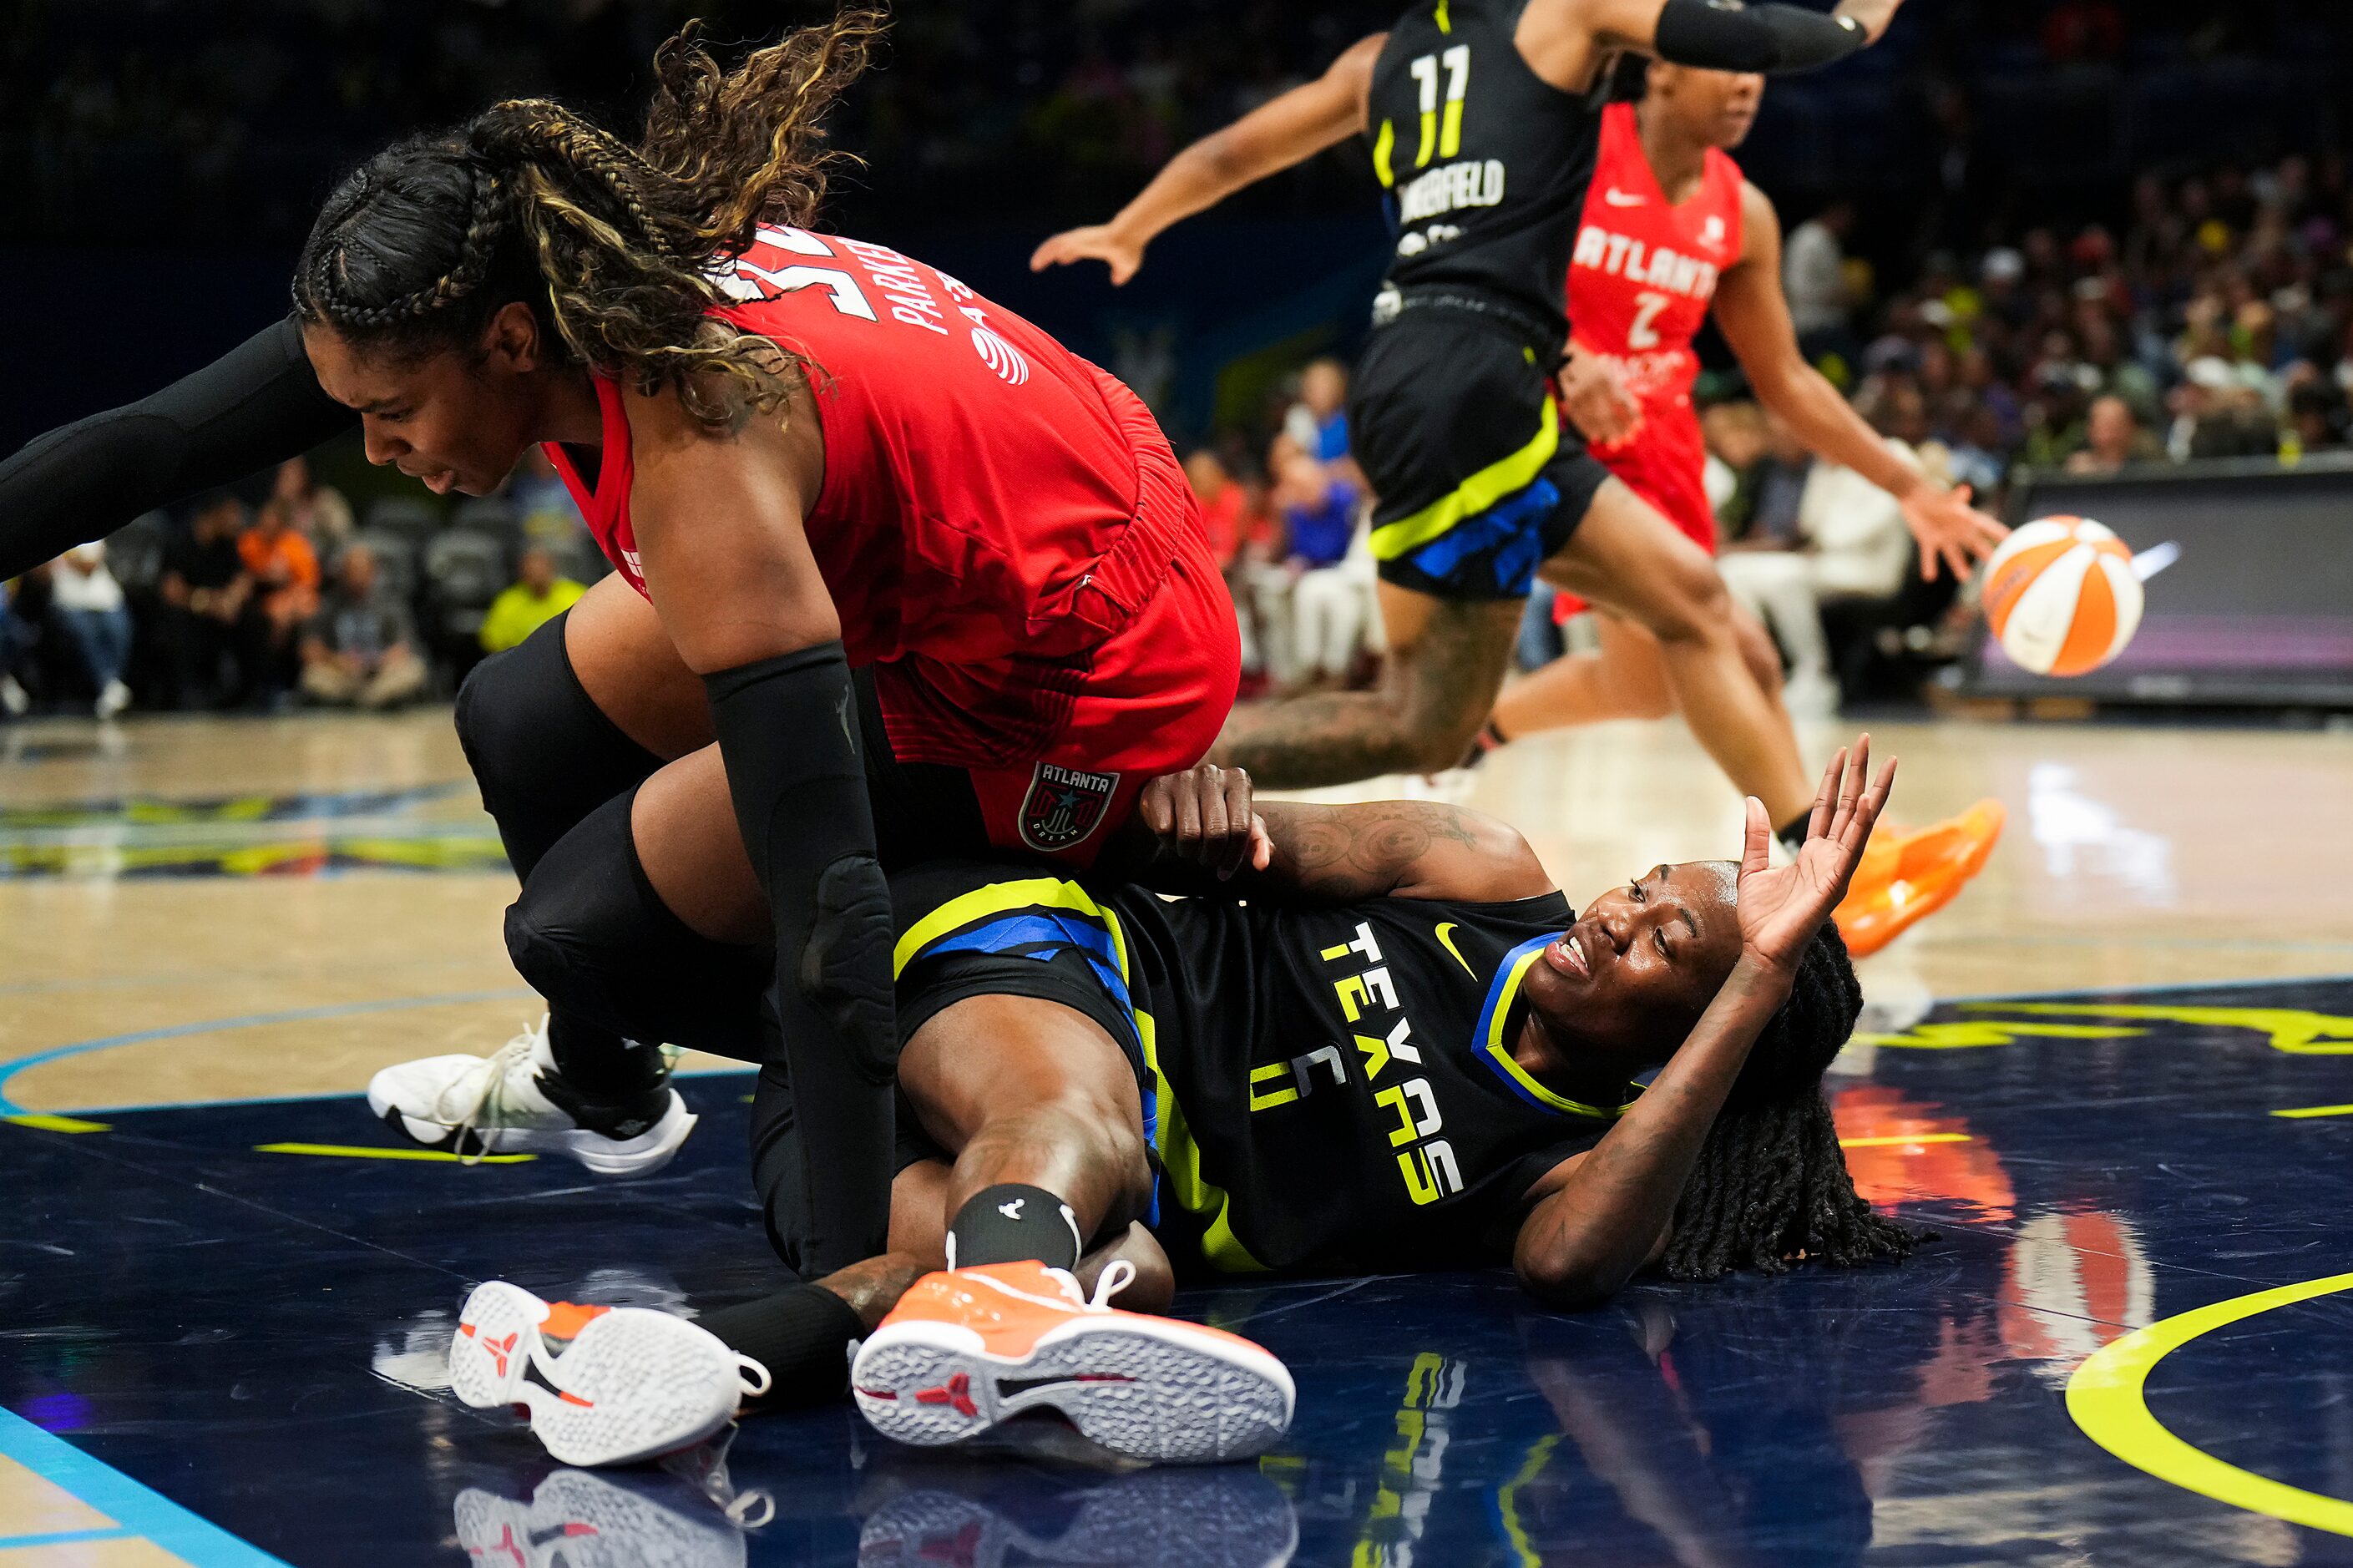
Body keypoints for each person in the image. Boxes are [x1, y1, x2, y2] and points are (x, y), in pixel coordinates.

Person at [0, 13, 1242, 1282]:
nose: (373, 450)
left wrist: (838, 1266)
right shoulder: (564, 276)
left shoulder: (702, 455)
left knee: (586, 932)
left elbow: (822, 904)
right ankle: (605, 1090)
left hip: (1081, 659)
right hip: (1023, 510)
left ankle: (1001, 1003)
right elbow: (148, 443)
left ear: (509, 344)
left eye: (390, 415)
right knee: (520, 717)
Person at [428, 739, 1905, 1472]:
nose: (1620, 914)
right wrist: (1196, 801)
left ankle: (627, 1359)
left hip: (845, 1153)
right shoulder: (1473, 866)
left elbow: (1572, 1267)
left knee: (1096, 1259)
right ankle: (1021, 1296)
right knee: (1082, 1144)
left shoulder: (1571, 1166)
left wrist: (1763, 970)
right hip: (1005, 964)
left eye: (1671, 948)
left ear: (1690, 1036)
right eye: (1648, 884)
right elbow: (1233, 836)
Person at [1035, 0, 1986, 875]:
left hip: (1431, 369)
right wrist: (1855, 22)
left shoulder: (1384, 58)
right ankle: (1124, 758)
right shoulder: (1562, 22)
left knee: (1686, 607)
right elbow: (1737, 35)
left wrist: (1131, 226)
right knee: (1420, 723)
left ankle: (1823, 864)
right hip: (1482, 377)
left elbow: (1230, 156)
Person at [156, 493, 258, 710]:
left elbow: (244, 577)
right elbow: (171, 591)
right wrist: (208, 603)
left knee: (254, 619)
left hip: (220, 611)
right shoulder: (180, 539)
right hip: (189, 612)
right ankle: (186, 693)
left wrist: (232, 599)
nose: (237, 519)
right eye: (232, 513)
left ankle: (249, 693)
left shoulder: (228, 542)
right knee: (178, 624)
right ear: (216, 513)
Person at [299, 544, 429, 709]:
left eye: (362, 571)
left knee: (414, 670)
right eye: (352, 571)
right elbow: (309, 648)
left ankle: (364, 701)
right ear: (343, 574)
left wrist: (379, 662)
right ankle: (367, 701)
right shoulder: (329, 604)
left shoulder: (390, 604)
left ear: (373, 572)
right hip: (342, 675)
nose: (357, 578)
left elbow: (404, 646)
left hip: (380, 673)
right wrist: (336, 660)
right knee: (312, 676)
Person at [235, 497, 321, 702]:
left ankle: (293, 683)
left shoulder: (295, 544)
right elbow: (243, 576)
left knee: (303, 612)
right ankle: (263, 683)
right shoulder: (249, 542)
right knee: (265, 619)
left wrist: (287, 601)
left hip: (292, 599)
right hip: (258, 603)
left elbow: (309, 583)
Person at [47, 542, 134, 718]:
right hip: (70, 600)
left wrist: (72, 560)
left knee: (119, 628)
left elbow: (90, 565)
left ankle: (111, 686)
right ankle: (110, 686)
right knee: (87, 632)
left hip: (103, 599)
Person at [477, 544, 585, 655]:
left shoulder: (577, 597)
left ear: (552, 568)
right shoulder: (507, 602)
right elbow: (492, 643)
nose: (536, 575)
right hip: (520, 662)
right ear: (522, 572)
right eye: (531, 570)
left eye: (541, 569)